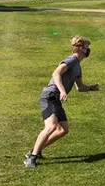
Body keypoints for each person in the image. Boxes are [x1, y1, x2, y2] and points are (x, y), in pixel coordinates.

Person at [24, 36, 99, 168]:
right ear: (81, 49)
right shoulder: (71, 60)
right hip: (50, 96)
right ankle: (32, 157)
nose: (88, 50)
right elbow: (56, 73)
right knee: (51, 127)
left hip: (56, 98)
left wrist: (91, 88)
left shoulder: (78, 67)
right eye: (87, 47)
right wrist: (63, 90)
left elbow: (80, 87)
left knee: (63, 130)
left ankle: (35, 150)